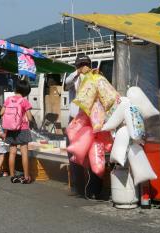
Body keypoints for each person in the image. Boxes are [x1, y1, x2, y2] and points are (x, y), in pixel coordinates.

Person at [63, 54, 102, 197]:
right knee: (74, 155)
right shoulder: (74, 79)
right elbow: (66, 83)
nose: (83, 67)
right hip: (75, 121)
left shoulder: (95, 77)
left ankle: (94, 189)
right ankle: (77, 187)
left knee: (94, 154)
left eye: (85, 64)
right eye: (80, 65)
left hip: (91, 121)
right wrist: (77, 72)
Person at [1, 79, 33, 184]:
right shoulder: (24, 101)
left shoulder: (8, 99)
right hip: (22, 129)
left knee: (12, 153)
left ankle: (12, 176)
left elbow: (2, 113)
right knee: (24, 153)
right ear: (26, 91)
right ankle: (26, 177)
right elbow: (30, 118)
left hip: (10, 129)